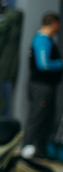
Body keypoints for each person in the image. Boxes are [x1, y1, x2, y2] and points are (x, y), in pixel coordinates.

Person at [22, 12, 62, 159]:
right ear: (54, 23)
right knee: (37, 117)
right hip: (41, 86)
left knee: (45, 118)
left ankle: (40, 151)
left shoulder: (46, 40)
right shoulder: (42, 40)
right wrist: (60, 64)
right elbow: (43, 64)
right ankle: (26, 150)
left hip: (44, 85)